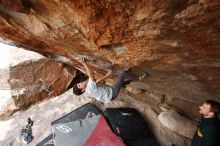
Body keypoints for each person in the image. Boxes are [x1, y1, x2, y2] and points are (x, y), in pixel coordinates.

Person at [73, 58, 148, 103]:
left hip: (108, 95)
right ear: (82, 90)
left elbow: (95, 82)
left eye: (78, 83)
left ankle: (125, 82)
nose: (80, 83)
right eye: (79, 85)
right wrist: (84, 63)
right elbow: (91, 75)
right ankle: (139, 77)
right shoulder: (89, 88)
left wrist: (107, 75)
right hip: (112, 93)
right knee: (123, 74)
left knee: (120, 81)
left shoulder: (88, 90)